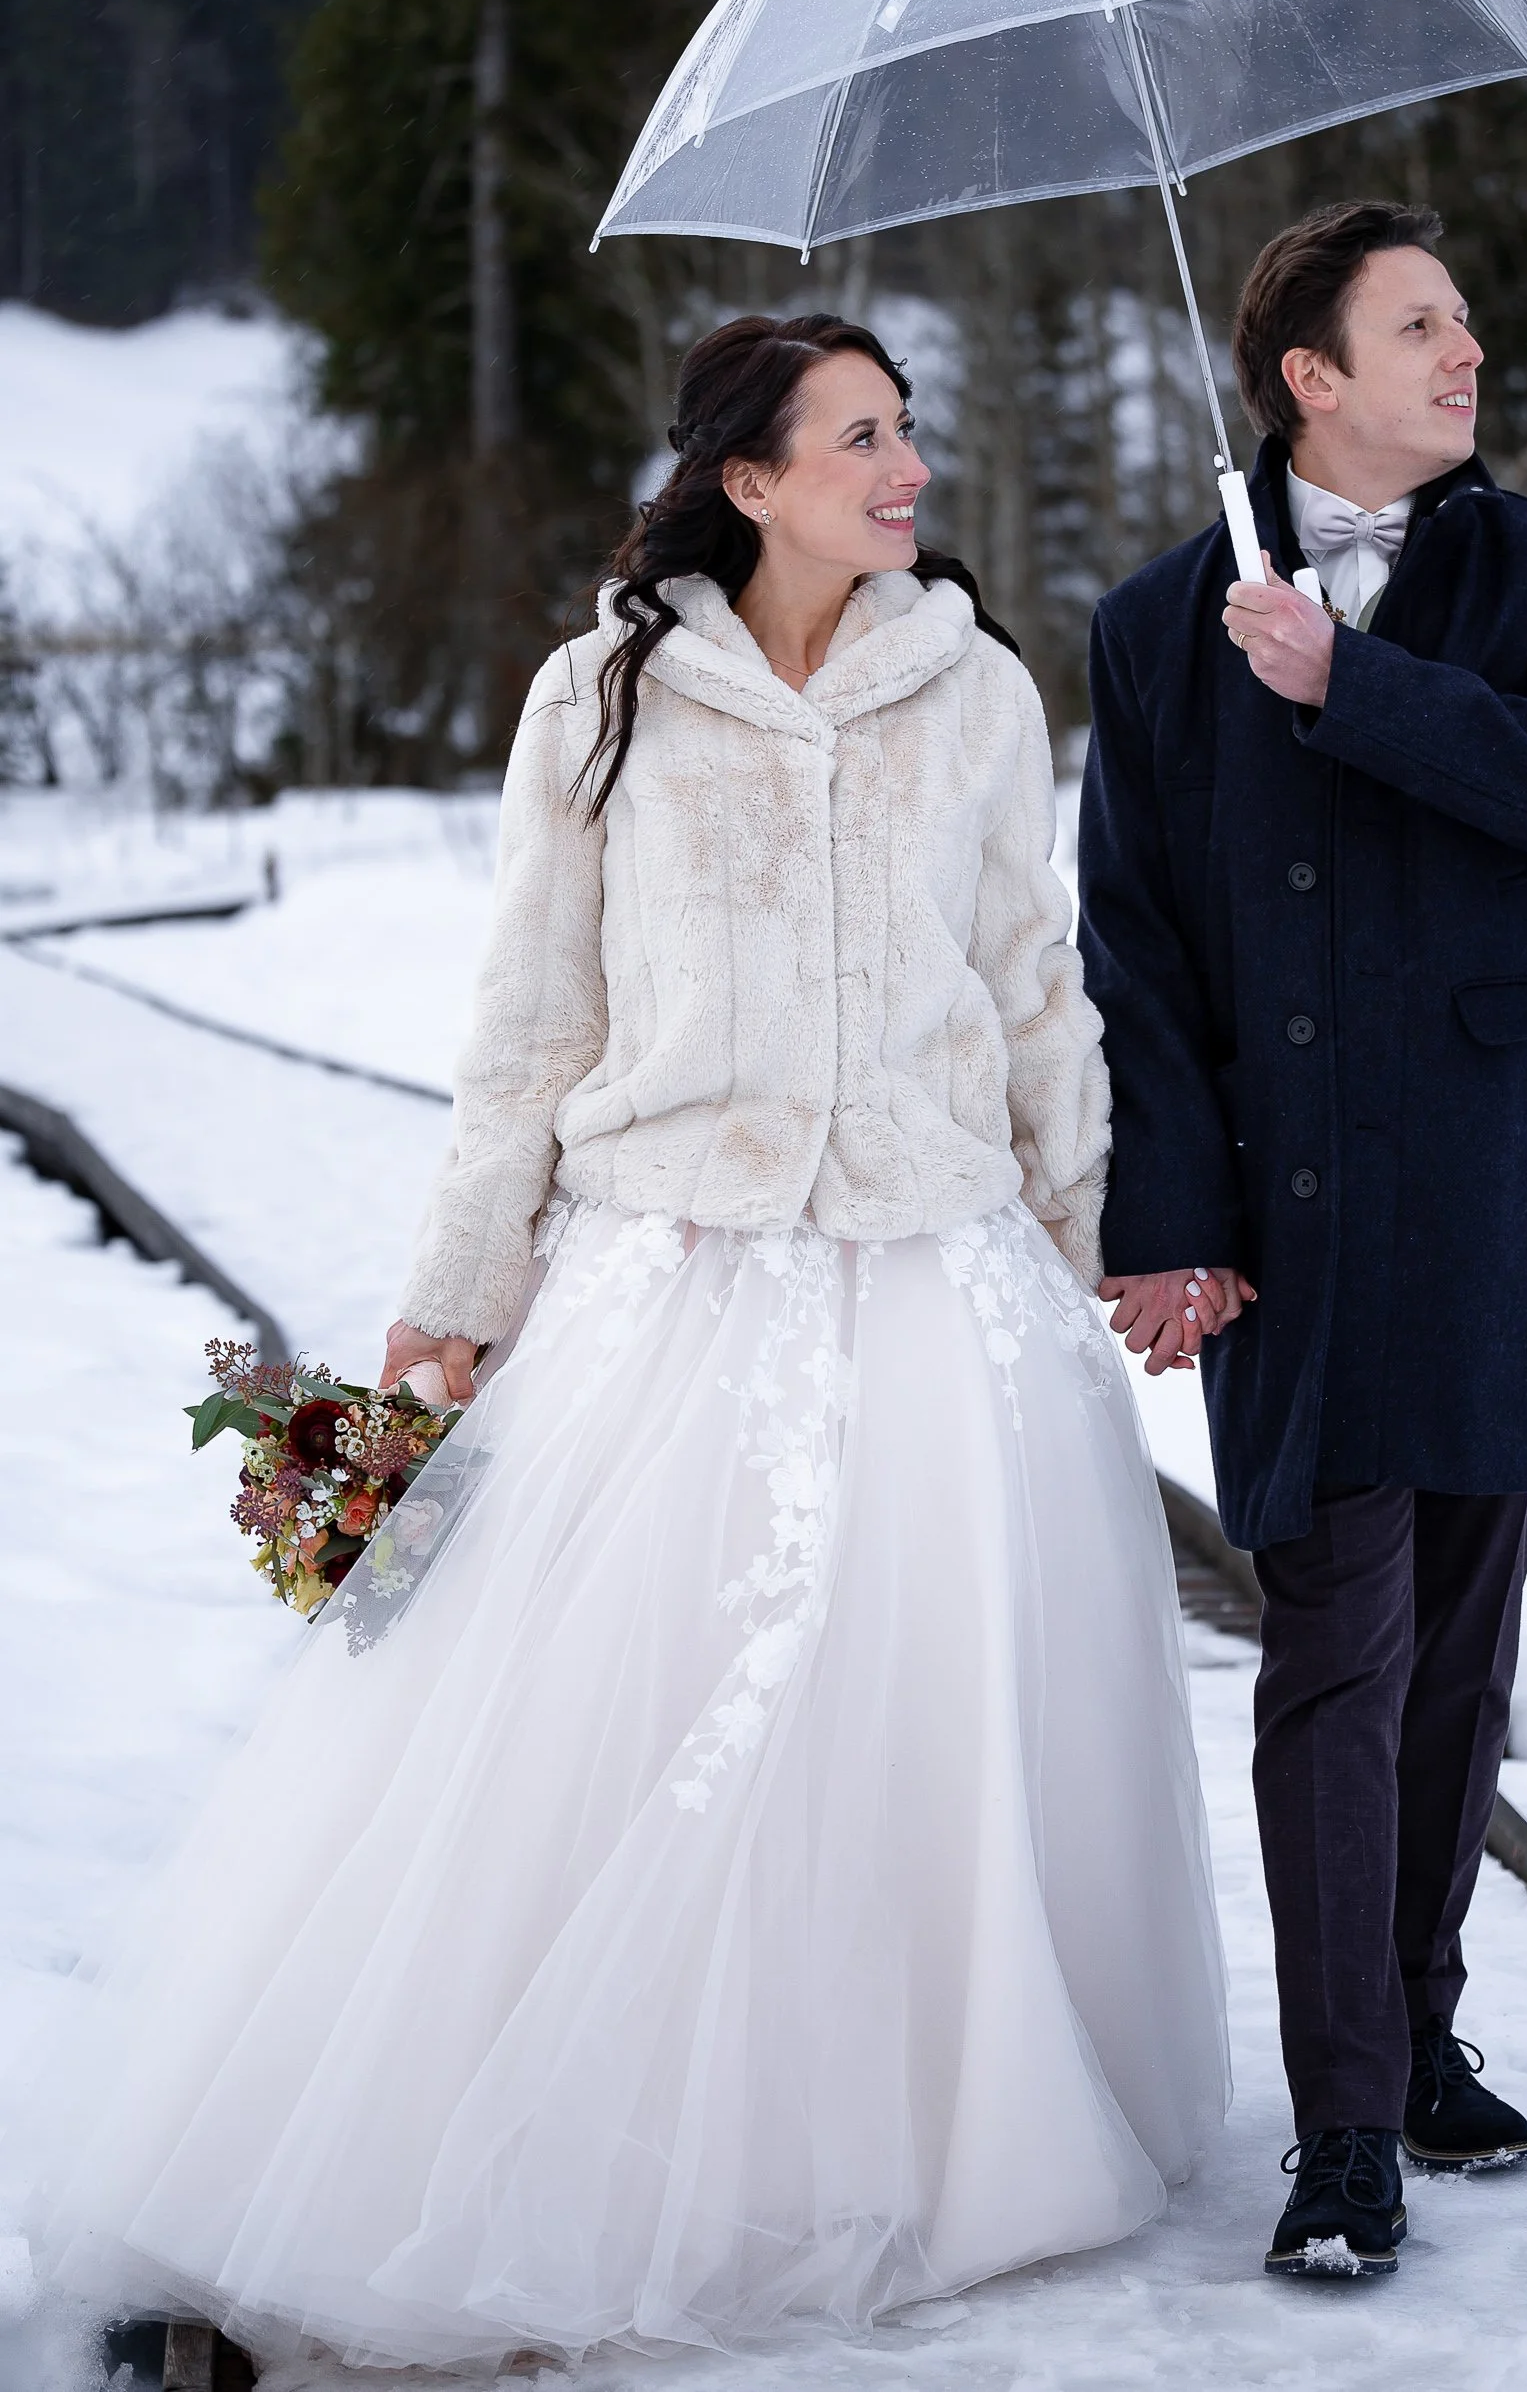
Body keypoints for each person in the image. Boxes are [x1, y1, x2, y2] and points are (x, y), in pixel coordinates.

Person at [46, 314, 1227, 2369]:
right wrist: (454, 1300)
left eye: (909, 429)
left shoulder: (975, 690)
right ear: (746, 480)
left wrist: (1104, 1237)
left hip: (936, 1282)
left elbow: (1032, 990)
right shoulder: (599, 698)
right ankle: (576, 2150)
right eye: (859, 437)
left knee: (912, 1730)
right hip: (670, 1272)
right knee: (607, 1721)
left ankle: (907, 2143)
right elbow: (528, 1025)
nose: (907, 468)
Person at [1079, 201, 1527, 2281]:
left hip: (1506, 1194)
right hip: (1295, 1221)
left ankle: (1420, 2037)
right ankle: (1342, 2126)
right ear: (1308, 376)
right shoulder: (1158, 621)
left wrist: (1354, 681)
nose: (1467, 350)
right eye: (1420, 324)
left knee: (1458, 1656)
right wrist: (1173, 1218)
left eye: (1466, 319)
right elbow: (1135, 943)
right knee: (1336, 1654)